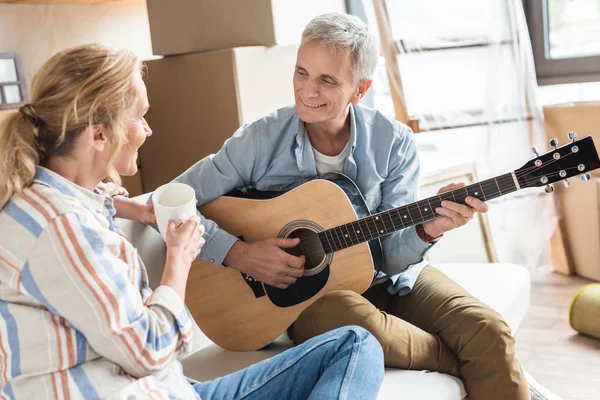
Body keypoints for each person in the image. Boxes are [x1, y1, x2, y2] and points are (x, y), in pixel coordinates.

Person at [170, 12, 557, 400]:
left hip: (389, 278)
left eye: (327, 80)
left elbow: (389, 258)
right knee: (357, 321)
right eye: (301, 72)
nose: (307, 90)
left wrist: (427, 230)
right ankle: (479, 364)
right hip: (315, 300)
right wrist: (239, 253)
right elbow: (169, 201)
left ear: (360, 89)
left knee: (486, 329)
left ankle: (490, 362)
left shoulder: (393, 143)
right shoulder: (260, 139)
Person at [0, 43, 384, 399]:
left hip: (167, 388)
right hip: (141, 389)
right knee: (356, 346)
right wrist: (179, 258)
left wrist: (131, 208)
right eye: (140, 117)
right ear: (99, 134)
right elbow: (148, 352)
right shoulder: (64, 229)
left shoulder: (36, 200)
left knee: (353, 343)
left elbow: (86, 210)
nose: (147, 130)